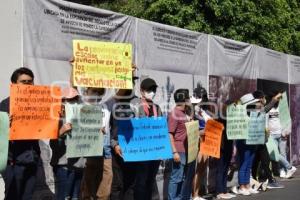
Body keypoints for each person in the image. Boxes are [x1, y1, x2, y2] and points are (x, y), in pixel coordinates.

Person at [0, 67, 41, 200]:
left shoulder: (38, 104)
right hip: (14, 162)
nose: (28, 84)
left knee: (28, 197)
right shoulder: (5, 105)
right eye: (24, 81)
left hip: (32, 159)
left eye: (30, 81)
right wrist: (6, 123)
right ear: (13, 84)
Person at [50, 87, 85, 200]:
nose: (73, 102)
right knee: (64, 197)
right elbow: (53, 145)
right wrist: (60, 132)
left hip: (79, 164)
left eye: (75, 99)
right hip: (64, 166)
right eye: (69, 100)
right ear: (63, 101)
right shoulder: (56, 119)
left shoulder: (82, 118)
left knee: (75, 197)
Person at [80, 87, 113, 200]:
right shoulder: (83, 106)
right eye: (94, 91)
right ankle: (87, 197)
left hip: (106, 147)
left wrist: (129, 73)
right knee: (89, 175)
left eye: (99, 92)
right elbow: (73, 84)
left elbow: (120, 92)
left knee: (107, 176)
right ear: (87, 92)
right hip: (91, 147)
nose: (96, 94)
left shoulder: (106, 105)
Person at [251, 90, 284, 189]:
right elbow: (267, 107)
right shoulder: (255, 108)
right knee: (259, 161)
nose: (264, 100)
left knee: (263, 160)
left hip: (262, 139)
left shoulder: (260, 108)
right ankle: (259, 180)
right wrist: (275, 98)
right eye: (263, 98)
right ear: (260, 99)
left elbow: (266, 109)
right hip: (256, 139)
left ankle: (267, 180)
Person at [168, 89, 196, 200]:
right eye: (188, 98)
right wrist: (174, 152)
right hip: (179, 150)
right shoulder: (174, 114)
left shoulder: (184, 114)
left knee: (183, 178)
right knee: (176, 178)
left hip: (186, 150)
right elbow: (170, 134)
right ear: (184, 100)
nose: (190, 100)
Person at [267, 91, 297, 179]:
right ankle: (289, 167)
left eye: (279, 99)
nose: (278, 100)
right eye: (276, 98)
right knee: (274, 154)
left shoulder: (281, 107)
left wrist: (286, 132)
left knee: (282, 153)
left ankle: (283, 170)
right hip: (271, 135)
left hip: (281, 134)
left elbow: (287, 120)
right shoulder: (268, 108)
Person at [235, 93, 260, 196]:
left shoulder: (254, 113)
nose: (255, 105)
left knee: (249, 163)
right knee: (244, 163)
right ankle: (242, 186)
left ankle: (247, 185)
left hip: (253, 140)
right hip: (243, 140)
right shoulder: (241, 114)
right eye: (252, 103)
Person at [191, 87, 211, 200]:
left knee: (203, 167)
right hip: (198, 140)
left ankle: (197, 193)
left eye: (204, 96)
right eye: (201, 96)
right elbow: (191, 127)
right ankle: (194, 194)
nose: (203, 98)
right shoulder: (193, 109)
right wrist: (200, 132)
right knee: (198, 169)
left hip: (207, 140)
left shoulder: (204, 109)